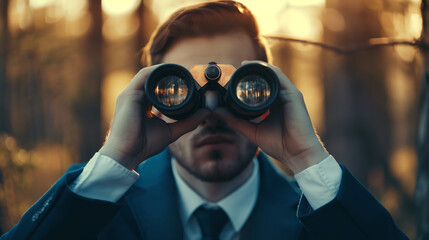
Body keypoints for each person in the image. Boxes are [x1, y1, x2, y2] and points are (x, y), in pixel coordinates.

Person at [2, 1, 408, 239]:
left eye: (240, 89)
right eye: (181, 91)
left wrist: (306, 159)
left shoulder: (319, 220)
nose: (211, 112)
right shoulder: (100, 213)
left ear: (269, 89)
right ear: (149, 97)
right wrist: (115, 159)